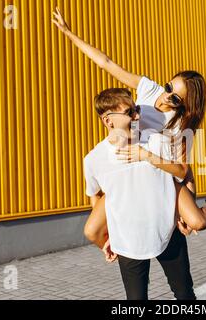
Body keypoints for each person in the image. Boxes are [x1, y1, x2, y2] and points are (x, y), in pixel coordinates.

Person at [52, 7, 206, 258]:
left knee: (196, 222)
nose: (166, 97)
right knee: (92, 230)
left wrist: (185, 209)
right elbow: (106, 62)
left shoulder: (180, 125)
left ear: (185, 105)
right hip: (127, 169)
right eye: (168, 86)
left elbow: (184, 170)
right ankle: (113, 248)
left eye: (175, 98)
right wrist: (69, 34)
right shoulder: (148, 88)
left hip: (160, 174)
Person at [84, 88, 197, 300]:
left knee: (184, 295)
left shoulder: (156, 142)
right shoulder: (93, 159)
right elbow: (96, 196)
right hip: (128, 241)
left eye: (136, 109)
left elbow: (182, 173)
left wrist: (147, 156)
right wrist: (107, 235)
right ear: (108, 121)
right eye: (129, 112)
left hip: (167, 232)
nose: (137, 116)